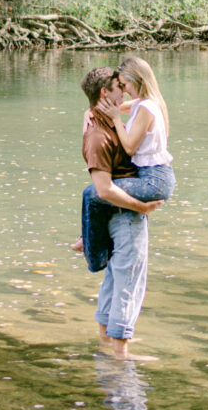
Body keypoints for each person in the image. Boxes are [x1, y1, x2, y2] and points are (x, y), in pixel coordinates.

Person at [79, 67, 165, 359]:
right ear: (106, 93)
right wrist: (142, 207)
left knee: (116, 278)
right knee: (130, 280)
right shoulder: (97, 134)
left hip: (119, 211)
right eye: (120, 86)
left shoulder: (102, 119)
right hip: (125, 213)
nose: (125, 91)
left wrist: (90, 110)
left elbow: (142, 103)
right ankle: (121, 355)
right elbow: (103, 190)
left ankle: (106, 342)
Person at [74, 57, 175, 273]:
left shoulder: (146, 107)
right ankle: (87, 239)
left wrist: (116, 120)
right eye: (120, 86)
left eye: (125, 84)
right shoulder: (143, 103)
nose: (125, 90)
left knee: (92, 193)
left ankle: (94, 257)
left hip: (153, 180)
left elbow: (129, 147)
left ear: (137, 80)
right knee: (96, 195)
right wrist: (88, 112)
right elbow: (113, 107)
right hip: (150, 176)